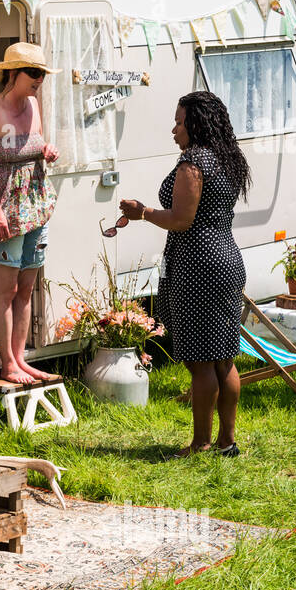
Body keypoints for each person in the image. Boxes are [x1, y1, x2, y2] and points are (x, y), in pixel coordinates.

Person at [118, 91, 250, 457]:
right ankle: (227, 441)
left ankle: (201, 442)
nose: (174, 129)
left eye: (179, 122)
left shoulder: (193, 163)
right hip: (227, 257)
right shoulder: (228, 159)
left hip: (198, 263)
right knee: (224, 357)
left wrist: (141, 212)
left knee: (201, 361)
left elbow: (180, 219)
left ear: (196, 124)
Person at [0, 42, 60, 384]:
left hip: (35, 204)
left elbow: (35, 145)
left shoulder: (34, 105)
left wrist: (47, 150)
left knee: (26, 289)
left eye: (42, 74)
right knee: (4, 291)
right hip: (4, 207)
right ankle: (7, 363)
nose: (39, 80)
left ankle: (21, 359)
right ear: (13, 73)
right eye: (34, 73)